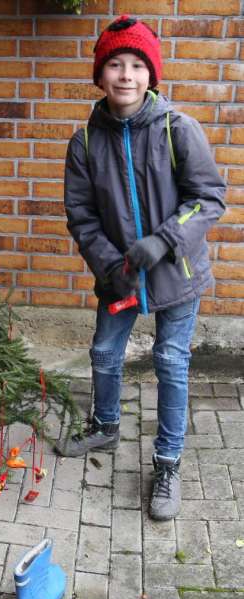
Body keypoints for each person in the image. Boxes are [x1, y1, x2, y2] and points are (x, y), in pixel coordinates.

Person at [56, 15, 226, 521]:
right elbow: (81, 215)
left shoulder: (179, 128)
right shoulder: (85, 142)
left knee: (171, 362)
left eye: (136, 65)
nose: (125, 75)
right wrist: (111, 264)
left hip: (177, 273)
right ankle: (105, 423)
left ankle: (168, 461)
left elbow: (209, 197)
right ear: (100, 74)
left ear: (152, 75)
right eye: (115, 64)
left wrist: (164, 240)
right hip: (119, 277)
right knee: (105, 351)